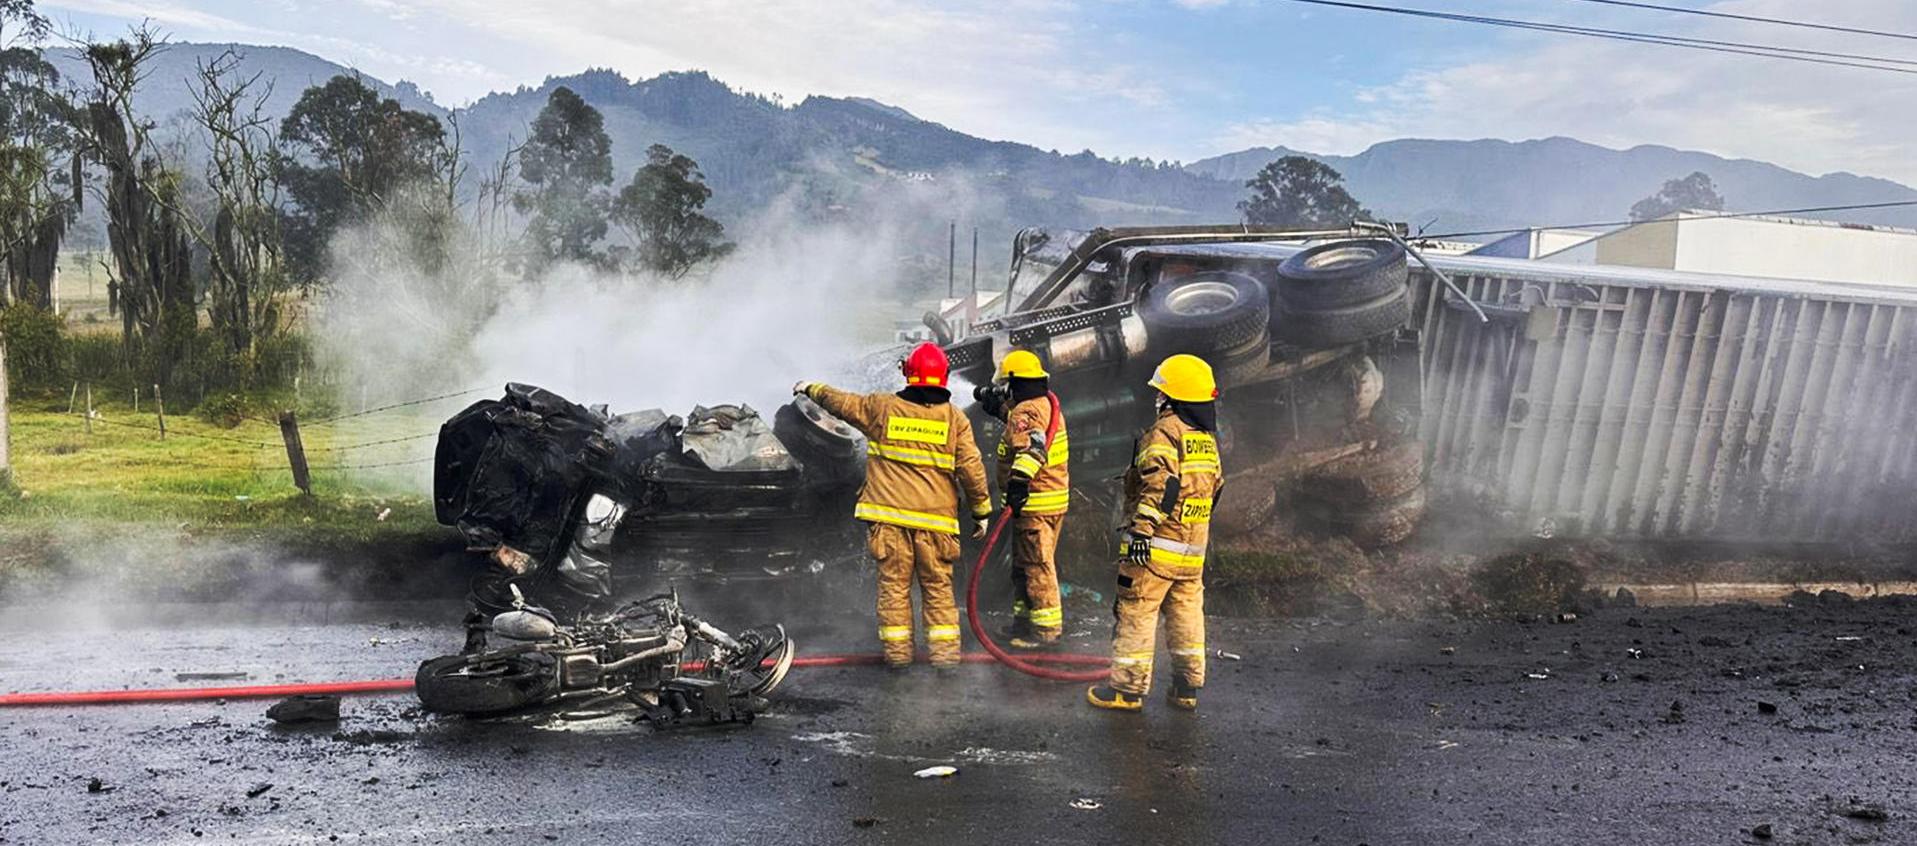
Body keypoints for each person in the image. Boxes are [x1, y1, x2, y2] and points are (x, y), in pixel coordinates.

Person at [795, 342, 994, 668]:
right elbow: (971, 470)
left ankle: (898, 657)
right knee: (938, 590)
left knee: (893, 590)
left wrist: (810, 388)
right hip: (936, 526)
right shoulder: (955, 420)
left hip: (889, 524)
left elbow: (843, 403)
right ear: (943, 376)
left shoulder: (882, 408)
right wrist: (981, 512)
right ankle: (944, 660)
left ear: (908, 373)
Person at [1088, 353, 1221, 712]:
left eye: (1162, 393)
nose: (1157, 398)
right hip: (1192, 549)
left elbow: (1161, 485)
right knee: (1187, 614)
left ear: (1174, 397)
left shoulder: (1165, 432)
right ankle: (1186, 689)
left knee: (1137, 610)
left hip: (1156, 546)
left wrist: (1143, 532)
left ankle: (1126, 691)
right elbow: (1215, 489)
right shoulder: (1206, 439)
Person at [977, 349, 1071, 649]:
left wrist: (1017, 484)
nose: (1002, 389)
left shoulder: (1026, 412)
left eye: (1005, 384)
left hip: (1035, 504)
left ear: (1015, 382)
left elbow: (1033, 449)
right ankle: (1023, 622)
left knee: (1036, 566)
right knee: (1024, 565)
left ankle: (1044, 633)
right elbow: (1031, 430)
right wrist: (1001, 412)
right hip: (1047, 502)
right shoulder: (1041, 404)